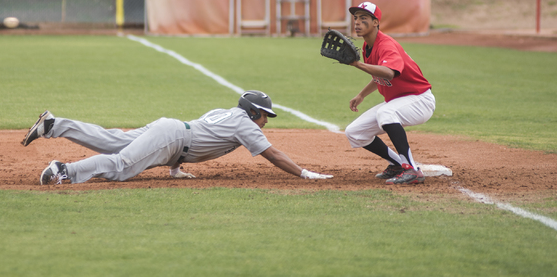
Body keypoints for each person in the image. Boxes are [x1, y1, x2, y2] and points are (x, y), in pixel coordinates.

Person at [22, 90, 333, 185]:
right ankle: (64, 170)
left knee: (111, 140)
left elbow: (198, 138)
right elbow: (274, 155)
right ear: (253, 113)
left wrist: (174, 168)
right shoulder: (246, 126)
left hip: (172, 133)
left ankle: (54, 125)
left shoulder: (226, 113)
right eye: (265, 115)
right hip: (171, 138)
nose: (266, 121)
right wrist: (304, 173)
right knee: (121, 166)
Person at [344, 2, 436, 185]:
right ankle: (396, 164)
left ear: (376, 22)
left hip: (420, 100)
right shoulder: (367, 46)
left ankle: (411, 169)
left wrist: (357, 64)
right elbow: (379, 74)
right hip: (402, 100)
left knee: (385, 112)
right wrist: (362, 95)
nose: (357, 22)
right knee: (354, 132)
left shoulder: (386, 45)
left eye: (364, 18)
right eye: (356, 18)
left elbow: (389, 72)